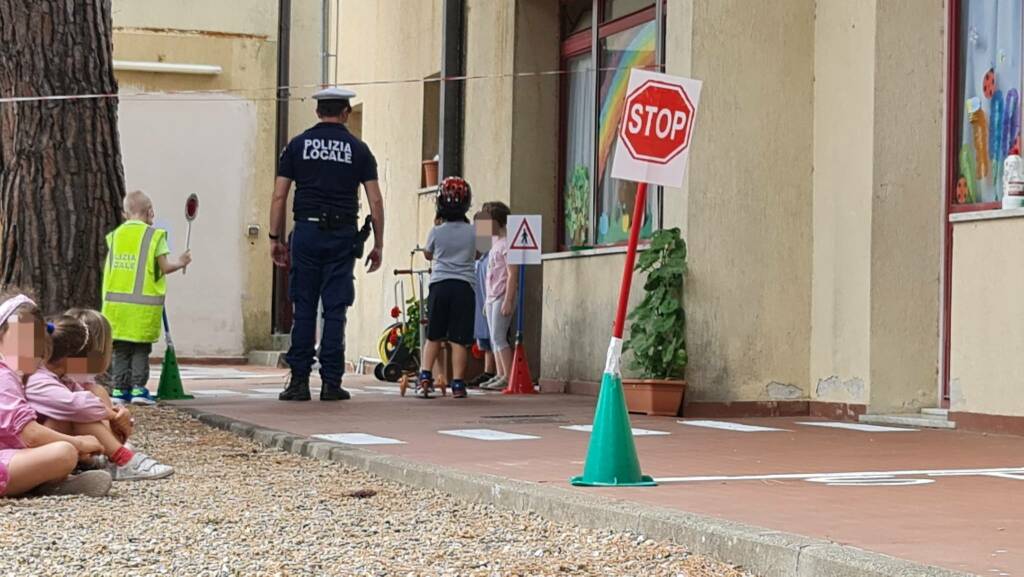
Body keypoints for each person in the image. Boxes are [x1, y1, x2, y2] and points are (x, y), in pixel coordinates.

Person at [271, 86, 384, 402]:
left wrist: (274, 238)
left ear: (318, 112)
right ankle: (332, 382)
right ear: (346, 113)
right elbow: (375, 198)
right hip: (342, 236)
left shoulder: (297, 146)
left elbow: (279, 195)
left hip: (305, 235)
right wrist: (379, 243)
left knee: (304, 306)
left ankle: (299, 382)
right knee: (335, 309)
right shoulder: (359, 150)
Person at [26, 315, 173, 481]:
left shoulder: (60, 376)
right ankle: (123, 460)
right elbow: (77, 405)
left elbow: (83, 398)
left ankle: (108, 457)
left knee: (85, 407)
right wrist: (112, 415)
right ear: (70, 358)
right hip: (28, 447)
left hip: (46, 442)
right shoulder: (36, 379)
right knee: (79, 413)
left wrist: (117, 415)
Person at [0, 290, 112, 497]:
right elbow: (30, 435)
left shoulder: (14, 374)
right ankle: (45, 482)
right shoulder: (5, 377)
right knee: (64, 452)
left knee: (59, 428)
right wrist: (78, 443)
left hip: (9, 450)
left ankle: (46, 482)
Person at [102, 190, 192, 406]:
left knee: (121, 350)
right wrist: (181, 262)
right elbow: (165, 267)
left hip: (115, 308)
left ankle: (118, 390)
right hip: (142, 308)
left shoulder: (115, 236)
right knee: (140, 349)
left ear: (126, 213)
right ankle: (138, 389)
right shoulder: (155, 236)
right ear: (150, 211)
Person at [417, 177, 477, 399]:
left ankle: (425, 377)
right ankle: (458, 384)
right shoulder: (476, 231)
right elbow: (480, 254)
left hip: (440, 285)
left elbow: (428, 253)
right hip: (464, 286)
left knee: (434, 335)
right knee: (459, 339)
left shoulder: (436, 231)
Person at [480, 202, 517, 391]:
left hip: (502, 295)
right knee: (494, 337)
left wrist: (509, 300)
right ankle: (500, 373)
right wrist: (487, 300)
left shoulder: (507, 244)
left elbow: (512, 274)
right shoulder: (495, 244)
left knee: (499, 336)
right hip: (493, 296)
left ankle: (508, 376)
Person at [467, 209, 495, 388]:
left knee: (494, 335)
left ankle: (493, 371)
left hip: (491, 297)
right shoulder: (479, 257)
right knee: (484, 335)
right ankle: (488, 370)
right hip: (480, 299)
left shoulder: (492, 253)